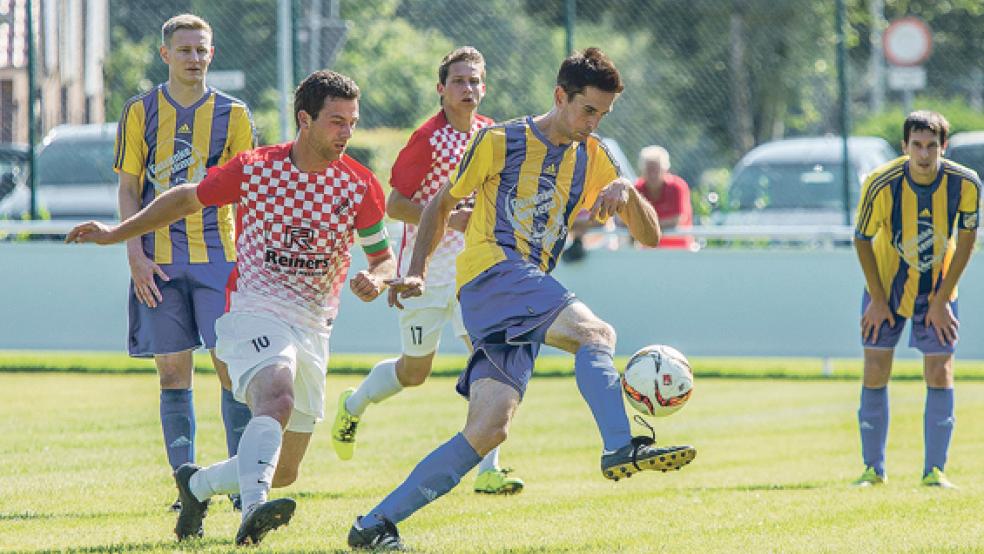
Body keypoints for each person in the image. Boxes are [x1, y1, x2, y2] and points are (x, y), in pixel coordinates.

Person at [347, 48, 697, 550]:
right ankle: (623, 444)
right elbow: (438, 207)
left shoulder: (594, 155)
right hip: (493, 271)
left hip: (519, 289)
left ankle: (374, 523)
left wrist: (625, 188)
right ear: (560, 96)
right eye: (587, 111)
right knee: (596, 335)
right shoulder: (500, 140)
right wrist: (417, 272)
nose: (593, 123)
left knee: (488, 430)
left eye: (603, 114)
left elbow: (650, 235)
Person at [68, 70, 396, 546]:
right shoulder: (257, 168)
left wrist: (378, 278)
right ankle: (253, 511)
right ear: (305, 120)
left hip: (314, 323)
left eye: (352, 122)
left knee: (284, 470)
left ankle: (197, 486)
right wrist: (118, 234)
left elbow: (383, 257)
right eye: (336, 122)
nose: (347, 133)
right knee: (277, 398)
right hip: (254, 307)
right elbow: (185, 198)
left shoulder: (360, 185)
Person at [330, 46, 523, 495]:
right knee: (414, 372)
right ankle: (353, 404)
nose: (468, 88)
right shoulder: (428, 139)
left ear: (484, 86)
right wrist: (445, 219)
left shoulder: (490, 133)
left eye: (475, 81)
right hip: (425, 272)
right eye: (459, 81)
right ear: (441, 90)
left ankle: (489, 469)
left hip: (474, 270)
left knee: (491, 358)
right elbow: (394, 203)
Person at [113, 13, 254, 512]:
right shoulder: (140, 111)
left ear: (211, 54)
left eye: (202, 50)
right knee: (173, 374)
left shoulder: (234, 115)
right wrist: (135, 254)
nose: (195, 58)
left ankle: (241, 485)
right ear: (165, 54)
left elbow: (247, 192)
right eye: (186, 50)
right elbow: (130, 187)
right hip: (159, 263)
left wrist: (253, 260)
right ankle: (186, 489)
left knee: (233, 372)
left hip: (220, 258)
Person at [852, 110, 980, 489]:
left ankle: (934, 470)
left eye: (931, 146)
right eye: (916, 145)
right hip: (887, 289)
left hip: (939, 291)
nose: (924, 155)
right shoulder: (880, 183)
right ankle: (873, 468)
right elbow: (861, 239)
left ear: (944, 147)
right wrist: (877, 298)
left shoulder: (966, 183)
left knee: (940, 370)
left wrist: (942, 299)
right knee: (876, 368)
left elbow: (968, 239)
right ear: (904, 146)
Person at [632, 145, 694, 250]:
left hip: (679, 248)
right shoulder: (637, 188)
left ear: (665, 169)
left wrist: (645, 227)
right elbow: (629, 219)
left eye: (656, 170)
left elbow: (677, 219)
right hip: (648, 250)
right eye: (648, 170)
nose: (652, 175)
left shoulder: (677, 186)